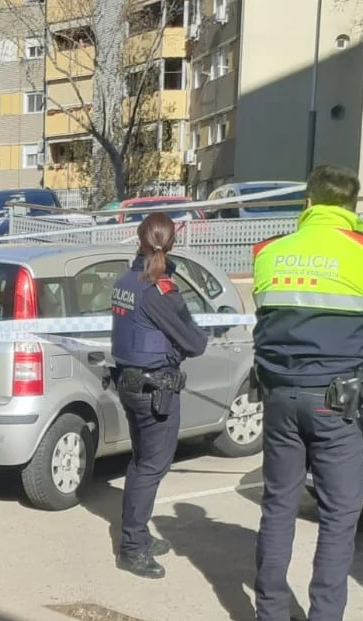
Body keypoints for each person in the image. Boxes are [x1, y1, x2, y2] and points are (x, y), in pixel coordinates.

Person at [251, 164, 363, 621]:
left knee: (278, 505)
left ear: (308, 203)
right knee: (338, 515)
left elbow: (268, 318)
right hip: (338, 401)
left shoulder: (269, 251)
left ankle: (270, 612)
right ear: (352, 208)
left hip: (278, 396)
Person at [109, 212, 209, 579]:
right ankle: (132, 547)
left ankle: (138, 535)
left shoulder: (125, 281)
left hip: (131, 385)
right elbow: (195, 342)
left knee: (142, 463)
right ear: (171, 244)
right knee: (151, 467)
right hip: (155, 390)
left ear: (139, 239)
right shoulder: (160, 291)